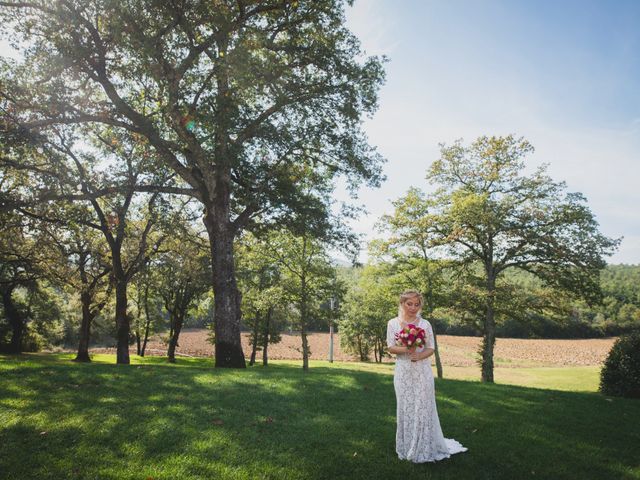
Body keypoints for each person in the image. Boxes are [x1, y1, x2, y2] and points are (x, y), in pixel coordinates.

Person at [386, 289, 467, 463]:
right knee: (406, 408)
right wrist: (407, 349)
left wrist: (419, 355)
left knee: (422, 407)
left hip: (422, 371)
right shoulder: (392, 323)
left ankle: (423, 447)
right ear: (402, 304)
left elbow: (431, 347)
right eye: (409, 304)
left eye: (417, 304)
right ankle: (406, 445)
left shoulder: (425, 324)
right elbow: (391, 347)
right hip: (403, 372)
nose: (413, 308)